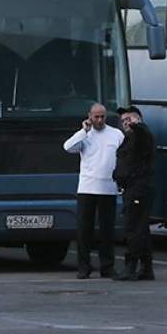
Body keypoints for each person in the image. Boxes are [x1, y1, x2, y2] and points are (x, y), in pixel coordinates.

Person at [63, 102, 123, 279]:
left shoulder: (116, 134)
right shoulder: (85, 136)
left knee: (107, 230)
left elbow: (124, 154)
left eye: (102, 116)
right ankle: (84, 266)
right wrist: (84, 131)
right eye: (96, 116)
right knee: (84, 230)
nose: (99, 120)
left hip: (108, 188)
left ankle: (107, 266)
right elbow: (67, 147)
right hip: (87, 187)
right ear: (89, 116)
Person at [112, 105, 156, 281]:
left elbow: (143, 135)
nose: (125, 124)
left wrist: (137, 125)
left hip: (139, 187)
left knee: (133, 228)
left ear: (138, 119)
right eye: (123, 121)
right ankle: (146, 268)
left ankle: (130, 267)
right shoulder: (129, 138)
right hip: (131, 187)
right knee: (141, 229)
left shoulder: (142, 135)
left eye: (129, 120)